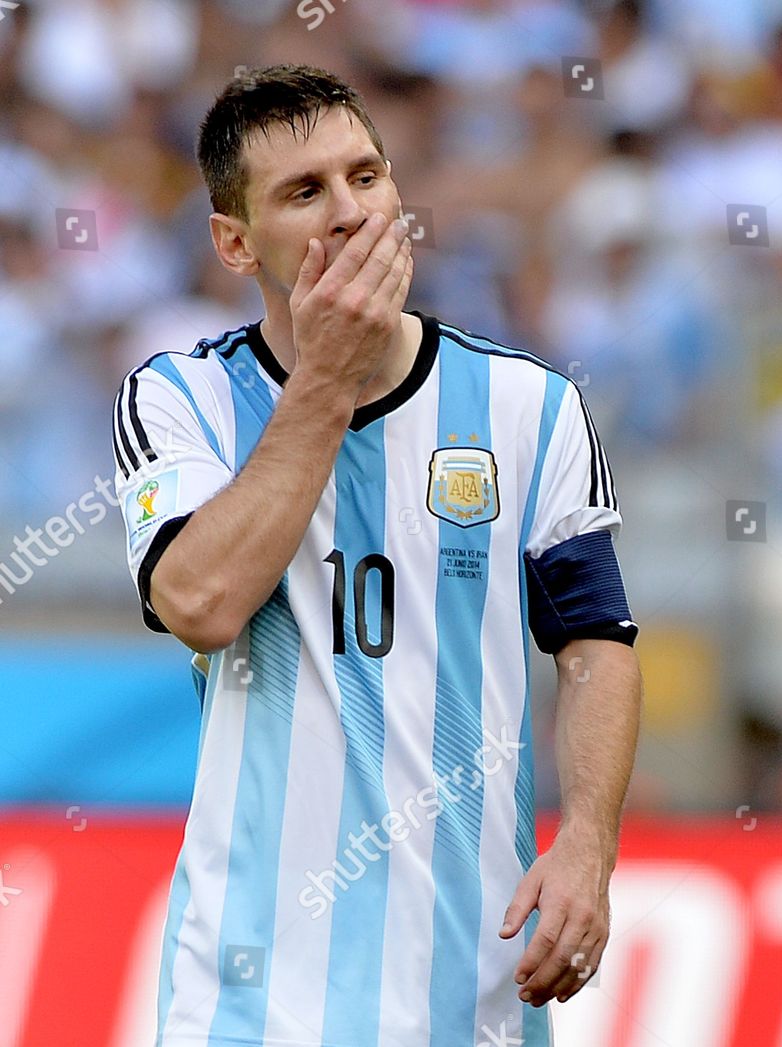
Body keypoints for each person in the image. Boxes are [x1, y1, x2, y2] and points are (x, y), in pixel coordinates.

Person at [110, 65, 642, 1046]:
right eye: (305, 193)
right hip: (248, 1002)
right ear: (234, 241)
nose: (350, 212)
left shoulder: (530, 408)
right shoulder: (177, 400)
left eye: (367, 176)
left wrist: (591, 843)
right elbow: (200, 601)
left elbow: (596, 644)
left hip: (476, 995)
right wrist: (327, 378)